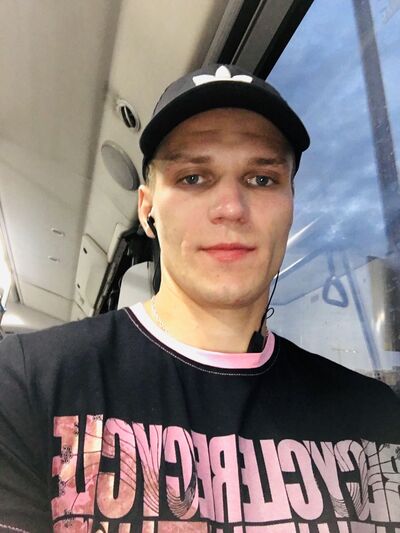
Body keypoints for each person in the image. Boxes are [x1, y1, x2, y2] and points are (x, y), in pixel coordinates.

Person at [0, 64, 399, 532]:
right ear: (148, 210)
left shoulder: (374, 415)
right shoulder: (26, 384)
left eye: (261, 179)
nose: (231, 208)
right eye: (193, 177)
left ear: (291, 205)